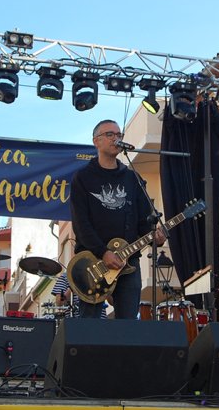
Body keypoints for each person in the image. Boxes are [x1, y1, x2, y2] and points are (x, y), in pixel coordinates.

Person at [69, 119, 165, 319]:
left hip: (128, 262)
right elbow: (81, 224)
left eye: (119, 135)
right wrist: (103, 252)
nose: (116, 139)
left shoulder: (132, 178)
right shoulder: (83, 178)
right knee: (90, 325)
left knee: (128, 326)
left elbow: (143, 221)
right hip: (92, 263)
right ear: (96, 141)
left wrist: (154, 235)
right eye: (110, 135)